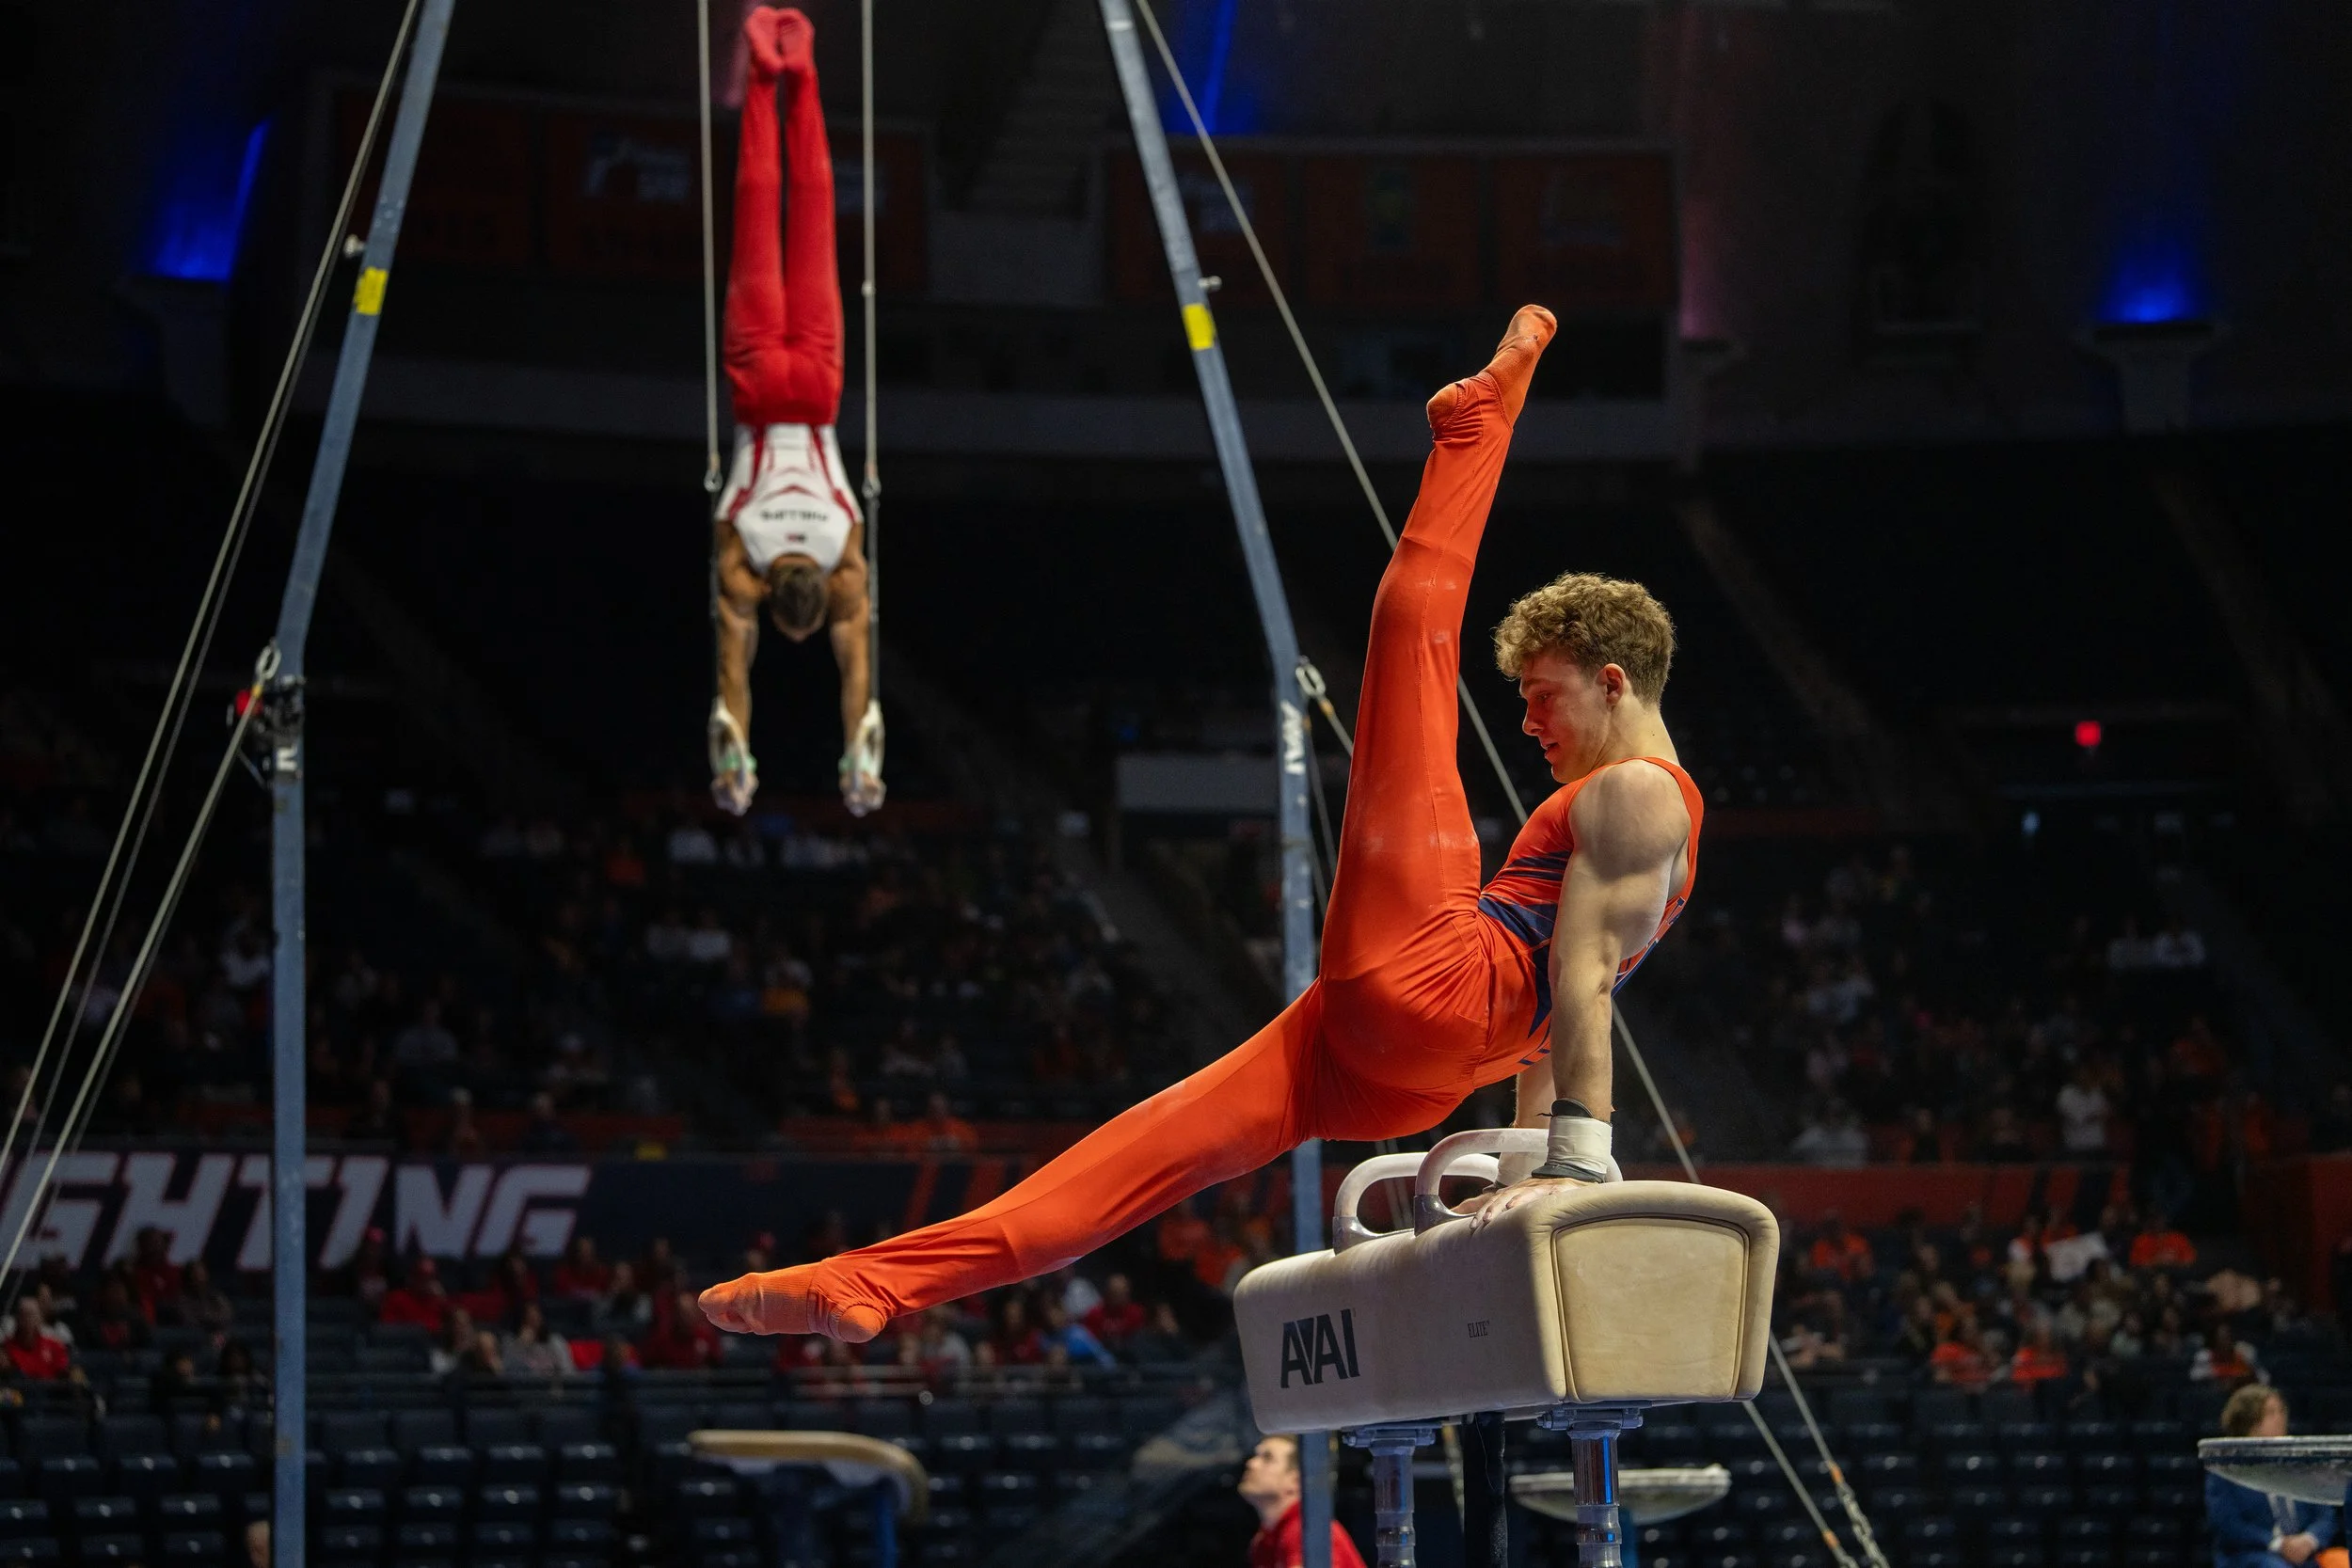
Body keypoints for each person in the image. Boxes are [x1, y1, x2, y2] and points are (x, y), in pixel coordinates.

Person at [702, 306, 1708, 1341]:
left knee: (1412, 635)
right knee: (1130, 1162)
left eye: (1544, 695)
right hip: (1409, 1062)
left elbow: (1582, 982)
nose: (1530, 720)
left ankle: (1475, 432)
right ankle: (872, 1285)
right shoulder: (1659, 827)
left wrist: (1576, 1158)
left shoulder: (1631, 793)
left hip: (1432, 988)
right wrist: (1532, 1150)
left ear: (1614, 679)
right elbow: (1568, 990)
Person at [707, 6, 882, 818]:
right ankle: (769, 70)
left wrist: (861, 750)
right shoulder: (739, 563)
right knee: (757, 210)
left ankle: (802, 69)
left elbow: (857, 676)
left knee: (812, 214)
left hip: (815, 389)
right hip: (756, 386)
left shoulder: (846, 558)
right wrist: (732, 751)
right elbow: (731, 674)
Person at [2207, 1386, 2339, 1568]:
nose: (2280, 1417)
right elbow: (2229, 1524)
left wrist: (2309, 1540)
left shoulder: (2302, 1462)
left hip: (2307, 1553)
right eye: (2271, 1412)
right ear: (2250, 1422)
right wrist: (2279, 1544)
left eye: (2281, 1410)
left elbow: (2326, 1514)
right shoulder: (2227, 1469)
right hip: (2253, 1555)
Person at [1239, 1434, 1369, 1568]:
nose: (1251, 1463)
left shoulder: (1307, 1532)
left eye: (1267, 1458)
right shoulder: (1264, 1541)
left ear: (1296, 1481)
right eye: (1256, 1456)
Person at [4, 1298, 70, 1380]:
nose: (27, 1320)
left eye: (31, 1315)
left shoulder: (54, 1346)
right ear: (17, 1319)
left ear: (40, 1319)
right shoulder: (5, 1349)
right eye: (23, 1315)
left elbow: (64, 1374)